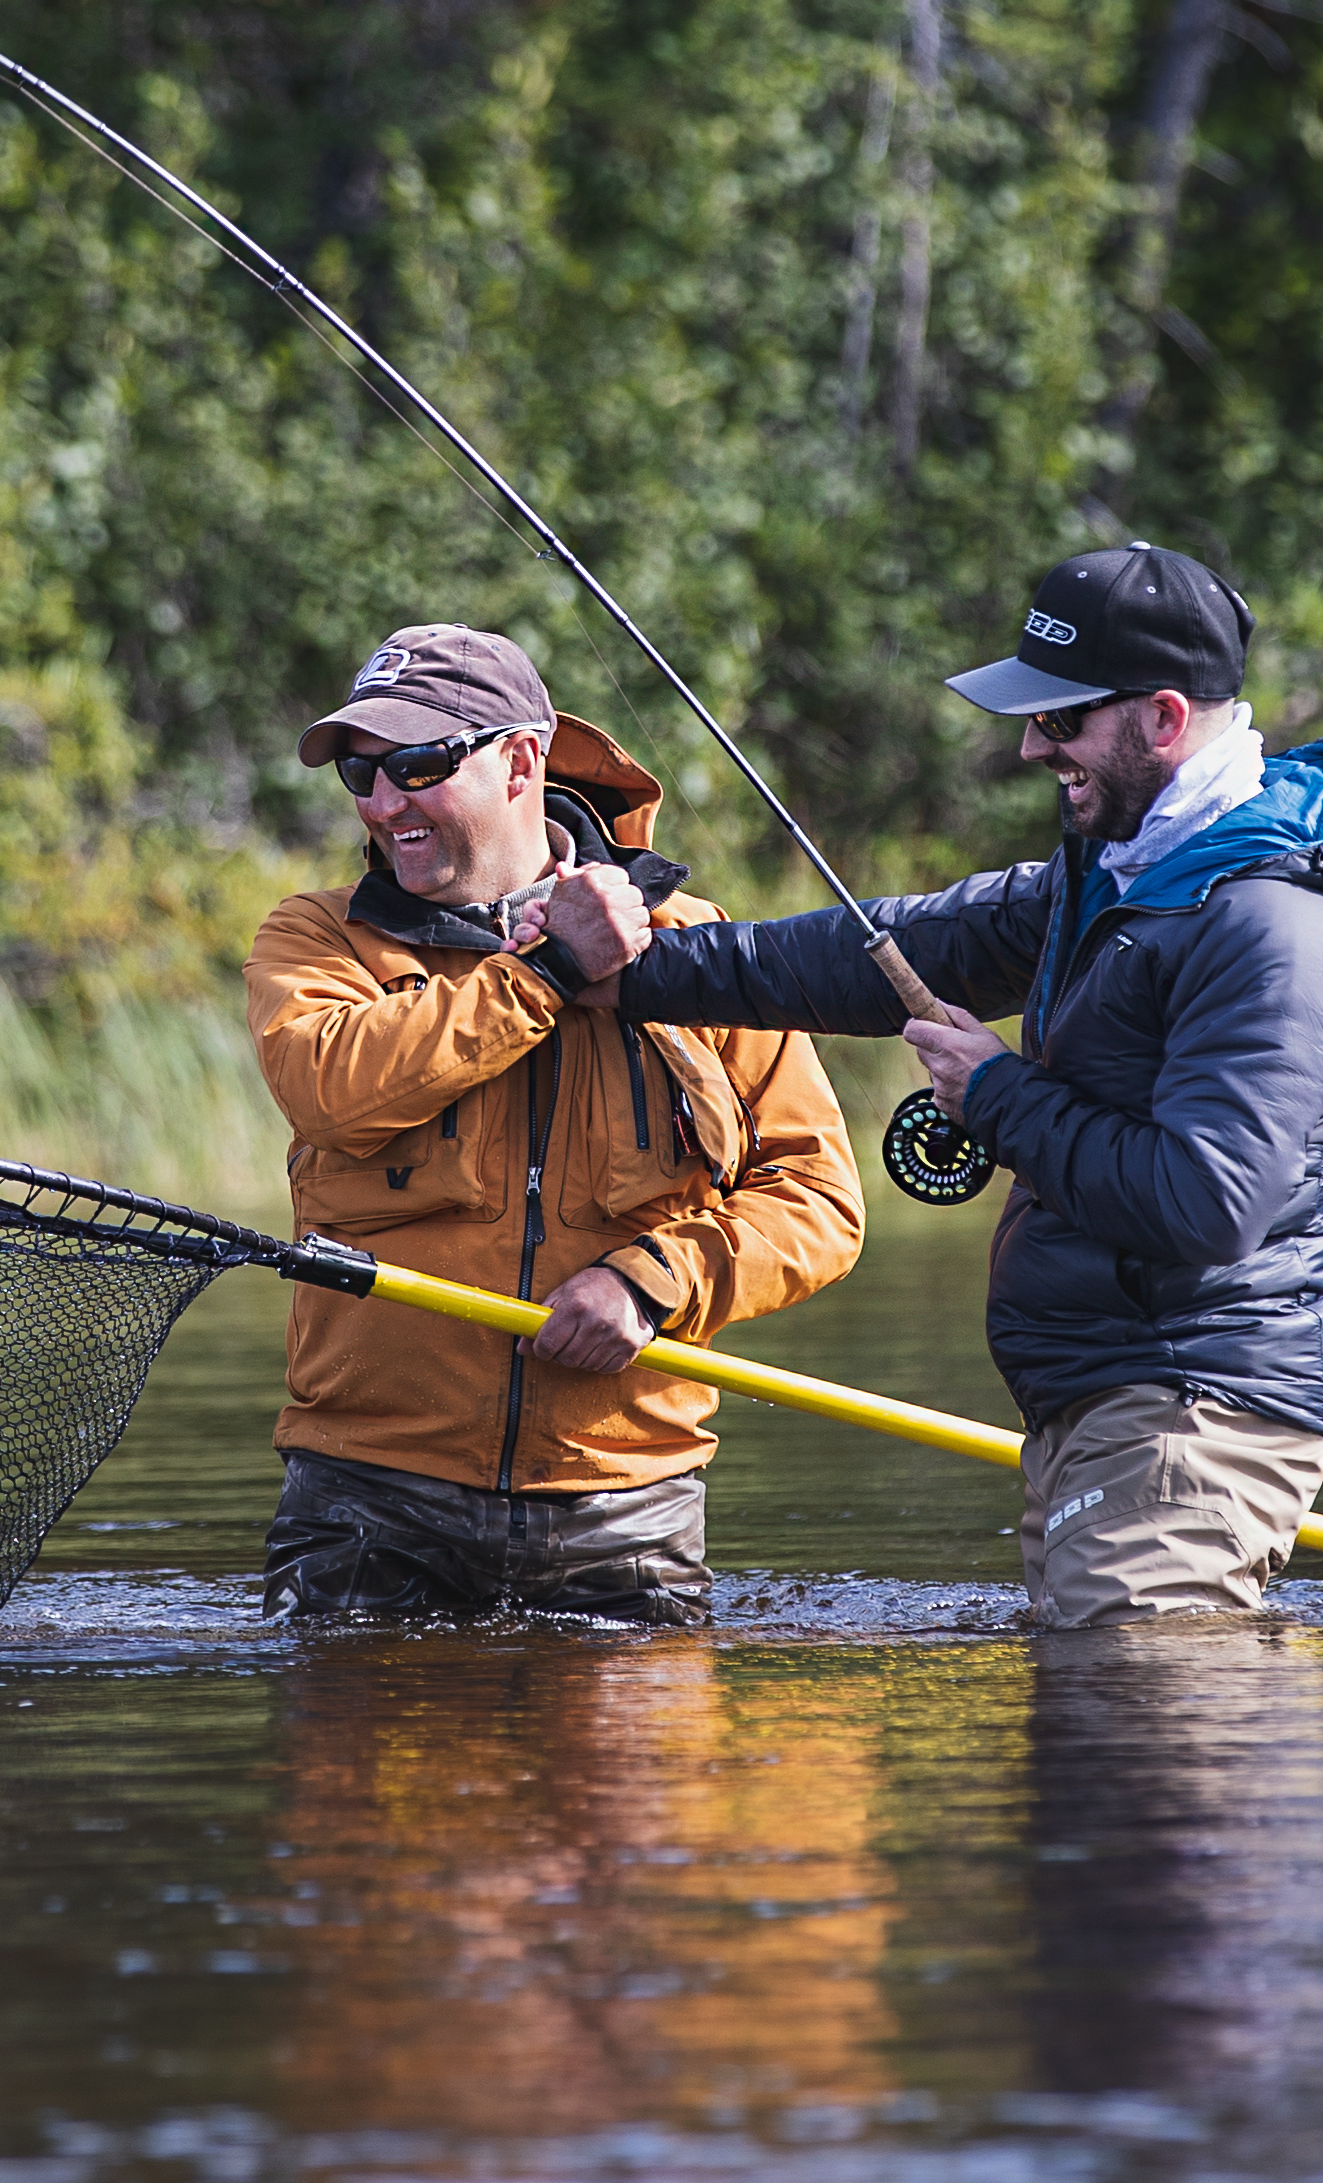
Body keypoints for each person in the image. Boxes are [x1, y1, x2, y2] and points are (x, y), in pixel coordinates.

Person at [539, 543, 1323, 1628]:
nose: (1028, 745)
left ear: (1160, 718)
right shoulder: (1115, 873)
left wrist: (999, 1095)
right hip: (1104, 1410)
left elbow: (1211, 1203)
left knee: (1154, 1750)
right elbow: (875, 949)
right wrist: (632, 974)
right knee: (1102, 1765)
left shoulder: (1272, 928)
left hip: (1193, 1414)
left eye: (1059, 720)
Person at [246, 621, 863, 1625]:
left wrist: (656, 1279)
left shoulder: (695, 949)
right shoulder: (315, 937)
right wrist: (548, 970)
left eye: (415, 763)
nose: (383, 800)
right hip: (367, 1496)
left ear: (521, 760)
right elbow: (332, 1088)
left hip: (627, 1509)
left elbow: (822, 1201)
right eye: (360, 772)